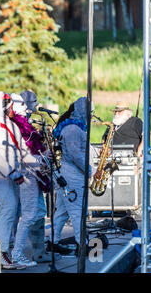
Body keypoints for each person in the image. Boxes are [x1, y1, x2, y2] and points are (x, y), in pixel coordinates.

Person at [0, 91, 36, 270]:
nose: (12, 108)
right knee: (9, 206)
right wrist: (13, 172)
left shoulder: (11, 125)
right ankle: (1, 252)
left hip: (12, 175)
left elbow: (22, 150)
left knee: (8, 209)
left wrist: (40, 164)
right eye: (9, 104)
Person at [10, 91, 52, 266]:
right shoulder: (17, 124)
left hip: (30, 172)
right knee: (27, 213)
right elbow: (24, 152)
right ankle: (30, 251)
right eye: (34, 101)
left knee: (22, 213)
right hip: (26, 174)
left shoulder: (26, 122)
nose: (36, 104)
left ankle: (31, 250)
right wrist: (42, 158)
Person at [50, 97, 96, 255]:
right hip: (73, 176)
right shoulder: (72, 130)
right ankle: (82, 245)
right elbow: (75, 154)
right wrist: (89, 170)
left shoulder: (73, 128)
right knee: (78, 212)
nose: (91, 116)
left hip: (69, 174)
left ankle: (53, 242)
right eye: (90, 113)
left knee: (62, 212)